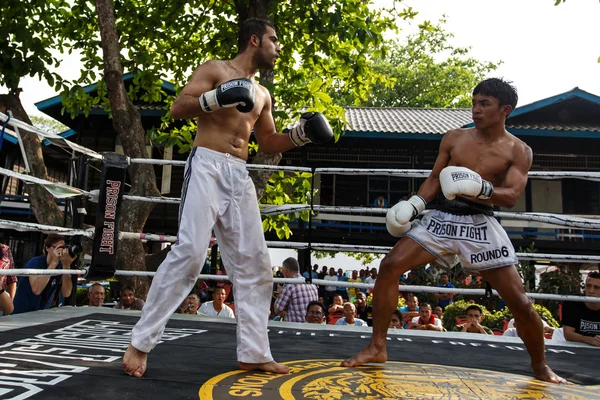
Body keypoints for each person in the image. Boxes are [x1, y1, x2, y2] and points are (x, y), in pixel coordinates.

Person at [122, 18, 333, 378]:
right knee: (190, 253)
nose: (279, 48)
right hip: (206, 165)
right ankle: (140, 343)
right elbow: (178, 107)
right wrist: (215, 97)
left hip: (239, 174)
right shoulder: (215, 69)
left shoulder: (263, 94)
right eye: (274, 40)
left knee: (256, 266)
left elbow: (266, 142)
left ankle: (253, 353)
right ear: (255, 40)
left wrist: (300, 135)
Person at [342, 78, 565, 384]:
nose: (475, 110)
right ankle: (377, 346)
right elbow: (435, 178)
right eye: (474, 102)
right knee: (390, 265)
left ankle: (541, 366)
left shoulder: (518, 150)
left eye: (484, 104)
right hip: (443, 216)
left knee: (520, 302)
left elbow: (512, 195)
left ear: (505, 110)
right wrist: (415, 204)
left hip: (481, 222)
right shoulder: (454, 138)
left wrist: (480, 188)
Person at [12, 234, 76, 314]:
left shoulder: (61, 266)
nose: (62, 251)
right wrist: (54, 263)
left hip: (40, 314)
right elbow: (36, 290)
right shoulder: (35, 262)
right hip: (21, 313)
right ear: (47, 248)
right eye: (59, 248)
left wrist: (66, 266)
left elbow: (66, 293)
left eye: (64, 248)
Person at [273, 257, 318, 322]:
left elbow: (277, 310)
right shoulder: (312, 286)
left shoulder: (289, 286)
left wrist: (279, 293)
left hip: (294, 327)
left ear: (286, 271)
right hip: (310, 326)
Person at [562, 271, 600, 346]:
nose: (591, 291)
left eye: (597, 287)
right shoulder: (572, 302)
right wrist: (588, 339)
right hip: (577, 348)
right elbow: (568, 334)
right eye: (588, 286)